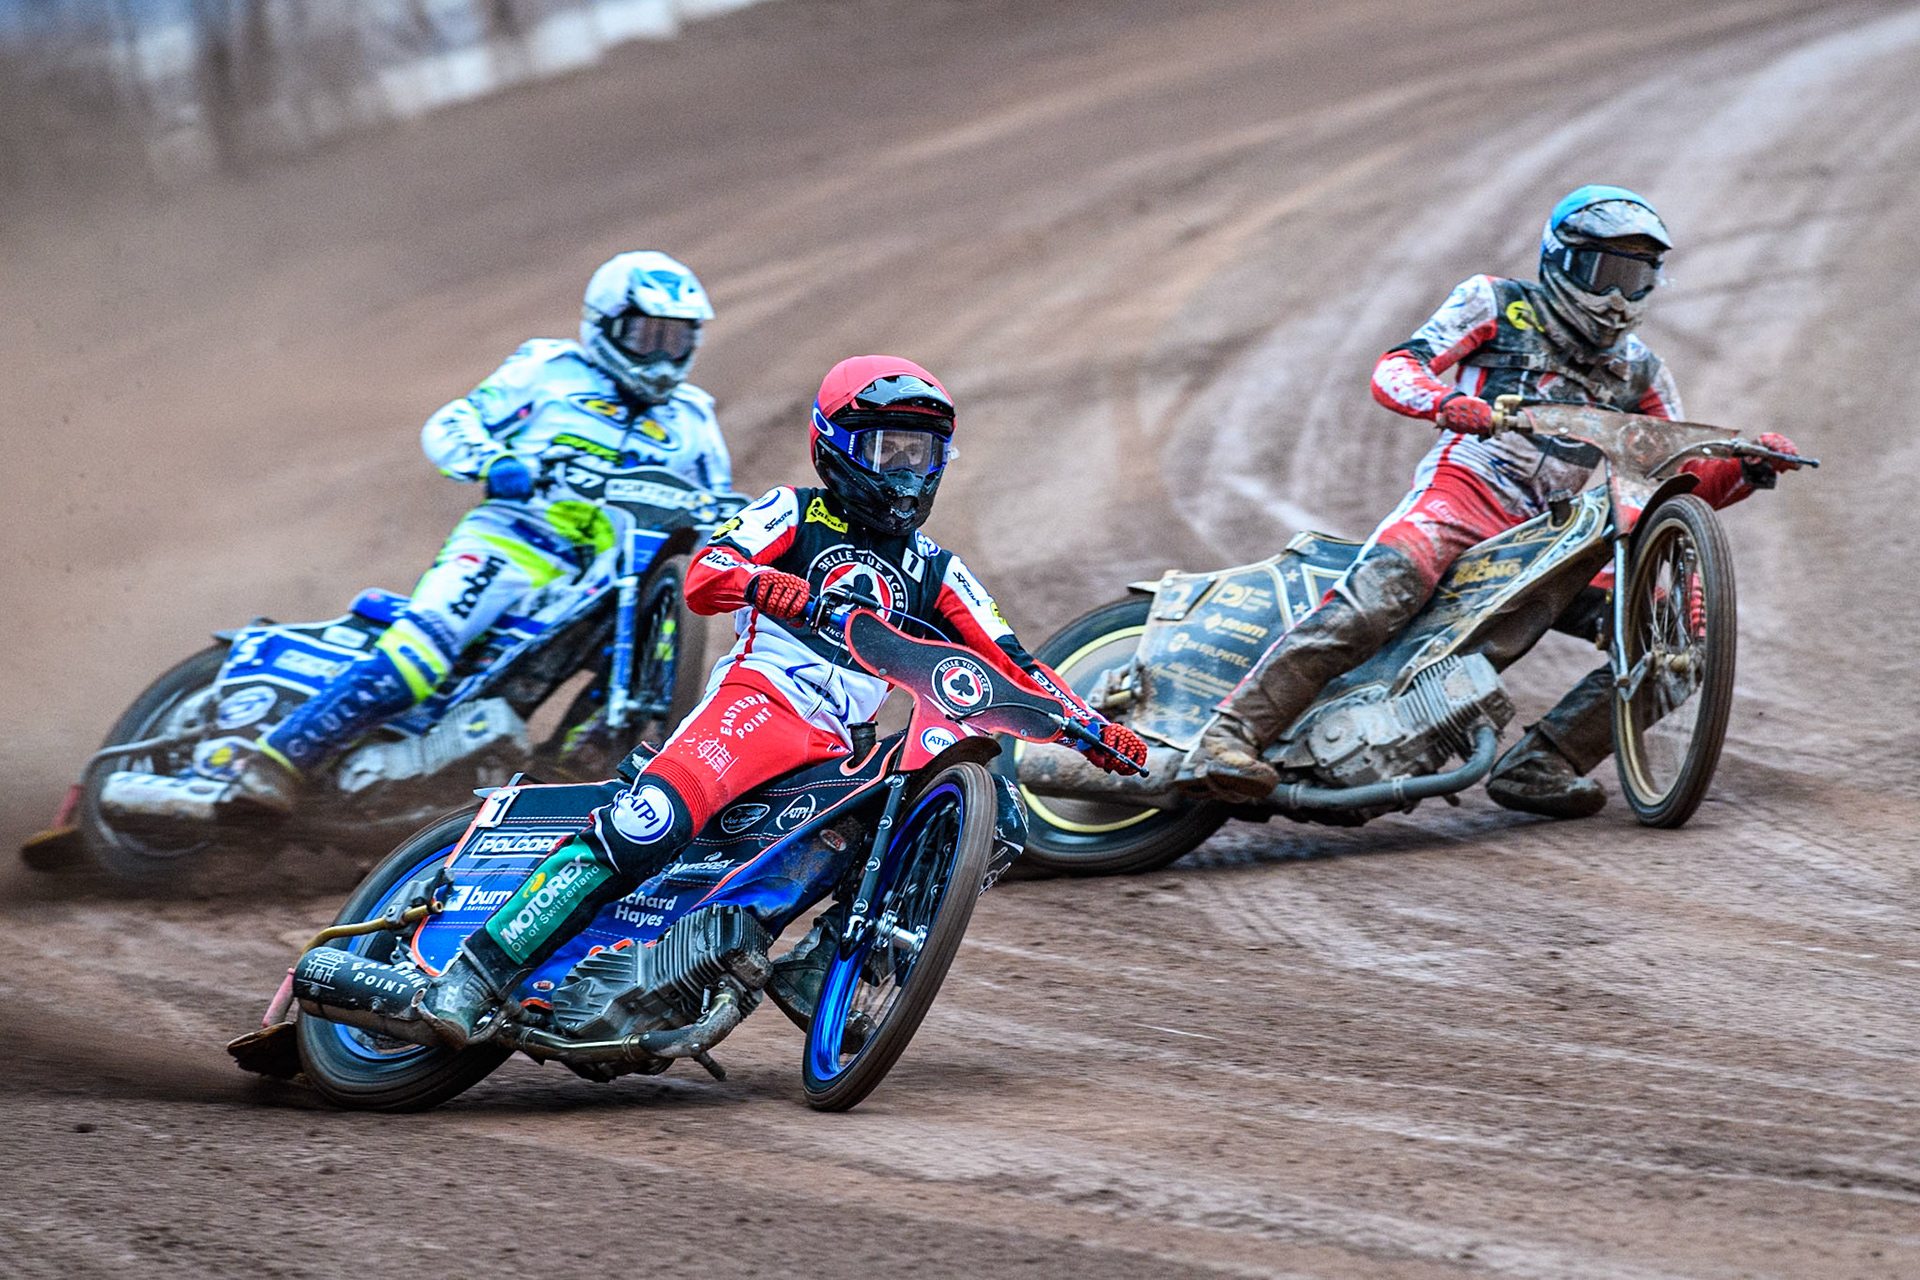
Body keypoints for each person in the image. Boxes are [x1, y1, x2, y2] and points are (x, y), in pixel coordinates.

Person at [331, 355, 1147, 1049]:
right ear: (835, 446)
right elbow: (706, 577)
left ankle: (827, 963)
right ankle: (472, 976)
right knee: (644, 826)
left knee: (986, 805)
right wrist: (793, 594)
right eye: (886, 447)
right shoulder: (790, 513)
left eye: (921, 451)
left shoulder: (939, 568)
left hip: (839, 746)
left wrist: (1093, 728)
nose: (904, 469)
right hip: (756, 708)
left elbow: (1012, 661)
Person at [1179, 185, 1802, 818]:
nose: (1619, 296)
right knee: (1382, 588)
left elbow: (1675, 478)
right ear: (1563, 260)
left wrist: (1747, 469)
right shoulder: (1496, 303)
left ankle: (1542, 764)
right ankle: (1227, 737)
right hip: (1461, 494)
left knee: (1673, 643)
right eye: (1607, 272)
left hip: (1549, 538)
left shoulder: (1641, 371)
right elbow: (1397, 367)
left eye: (1638, 277)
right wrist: (1446, 403)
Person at [214, 251, 730, 818]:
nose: (661, 355)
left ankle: (560, 793)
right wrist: (495, 461)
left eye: (676, 340)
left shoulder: (693, 419)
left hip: (601, 582)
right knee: (423, 651)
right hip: (512, 544)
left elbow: (717, 506)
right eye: (647, 334)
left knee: (632, 656)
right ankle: (277, 760)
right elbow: (452, 424)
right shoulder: (549, 370)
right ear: (605, 324)